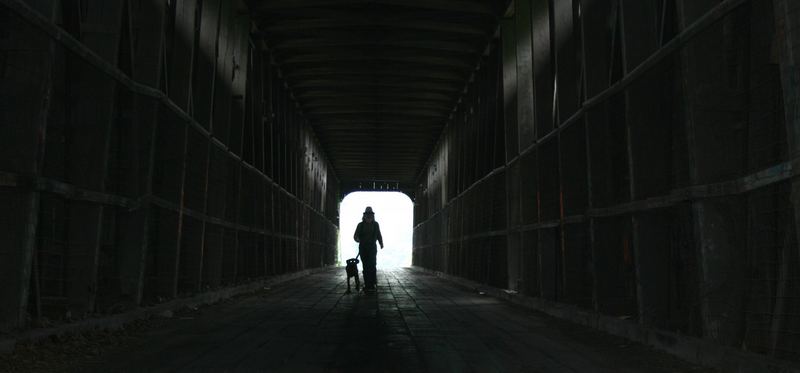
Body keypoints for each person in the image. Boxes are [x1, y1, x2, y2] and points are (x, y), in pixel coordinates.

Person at [353, 206, 383, 293]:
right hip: (363, 248)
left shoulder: (376, 224)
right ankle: (367, 284)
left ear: (373, 215)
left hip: (372, 248)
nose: (369, 216)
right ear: (364, 215)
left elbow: (378, 234)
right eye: (367, 214)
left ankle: (373, 283)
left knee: (372, 265)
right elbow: (355, 235)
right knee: (365, 266)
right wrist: (357, 239)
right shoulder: (360, 225)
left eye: (370, 214)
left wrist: (381, 243)